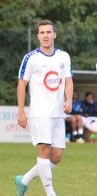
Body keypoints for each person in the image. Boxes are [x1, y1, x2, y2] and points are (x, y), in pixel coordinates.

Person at [15, 20, 73, 196]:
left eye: (49, 32)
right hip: (39, 112)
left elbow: (69, 80)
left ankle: (24, 180)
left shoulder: (64, 56)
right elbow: (21, 85)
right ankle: (50, 193)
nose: (46, 35)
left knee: (56, 156)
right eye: (42, 33)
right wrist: (21, 111)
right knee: (44, 149)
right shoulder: (31, 58)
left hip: (58, 113)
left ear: (54, 35)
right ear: (38, 36)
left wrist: (68, 99)